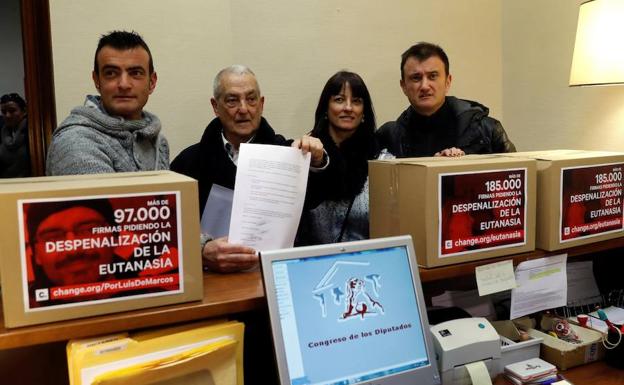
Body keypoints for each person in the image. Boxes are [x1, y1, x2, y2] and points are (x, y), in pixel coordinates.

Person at [171, 65, 326, 273]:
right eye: (232, 100)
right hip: (211, 282)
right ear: (215, 106)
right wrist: (201, 251)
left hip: (272, 277)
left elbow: (319, 196)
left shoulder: (289, 155)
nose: (243, 109)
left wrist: (317, 160)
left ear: (261, 104)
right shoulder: (188, 162)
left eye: (251, 99)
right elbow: (171, 231)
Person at [46, 30, 168, 175]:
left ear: (152, 82)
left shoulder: (159, 142)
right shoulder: (76, 142)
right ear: (97, 80)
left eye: (135, 73)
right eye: (111, 73)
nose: (124, 84)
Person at [377, 42, 516, 157]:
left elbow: (517, 181)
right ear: (404, 86)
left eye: (432, 76)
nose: (425, 86)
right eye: (416, 78)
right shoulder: (389, 137)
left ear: (448, 82)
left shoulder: (487, 130)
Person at [296, 71, 380, 246]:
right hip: (312, 262)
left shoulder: (380, 159)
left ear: (364, 112)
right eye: (339, 100)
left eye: (356, 101)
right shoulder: (306, 154)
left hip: (366, 260)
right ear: (326, 108)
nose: (348, 108)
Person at [0, 92, 31, 177]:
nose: (7, 115)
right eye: (3, 111)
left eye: (12, 110)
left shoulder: (31, 132)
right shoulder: (2, 131)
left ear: (24, 111)